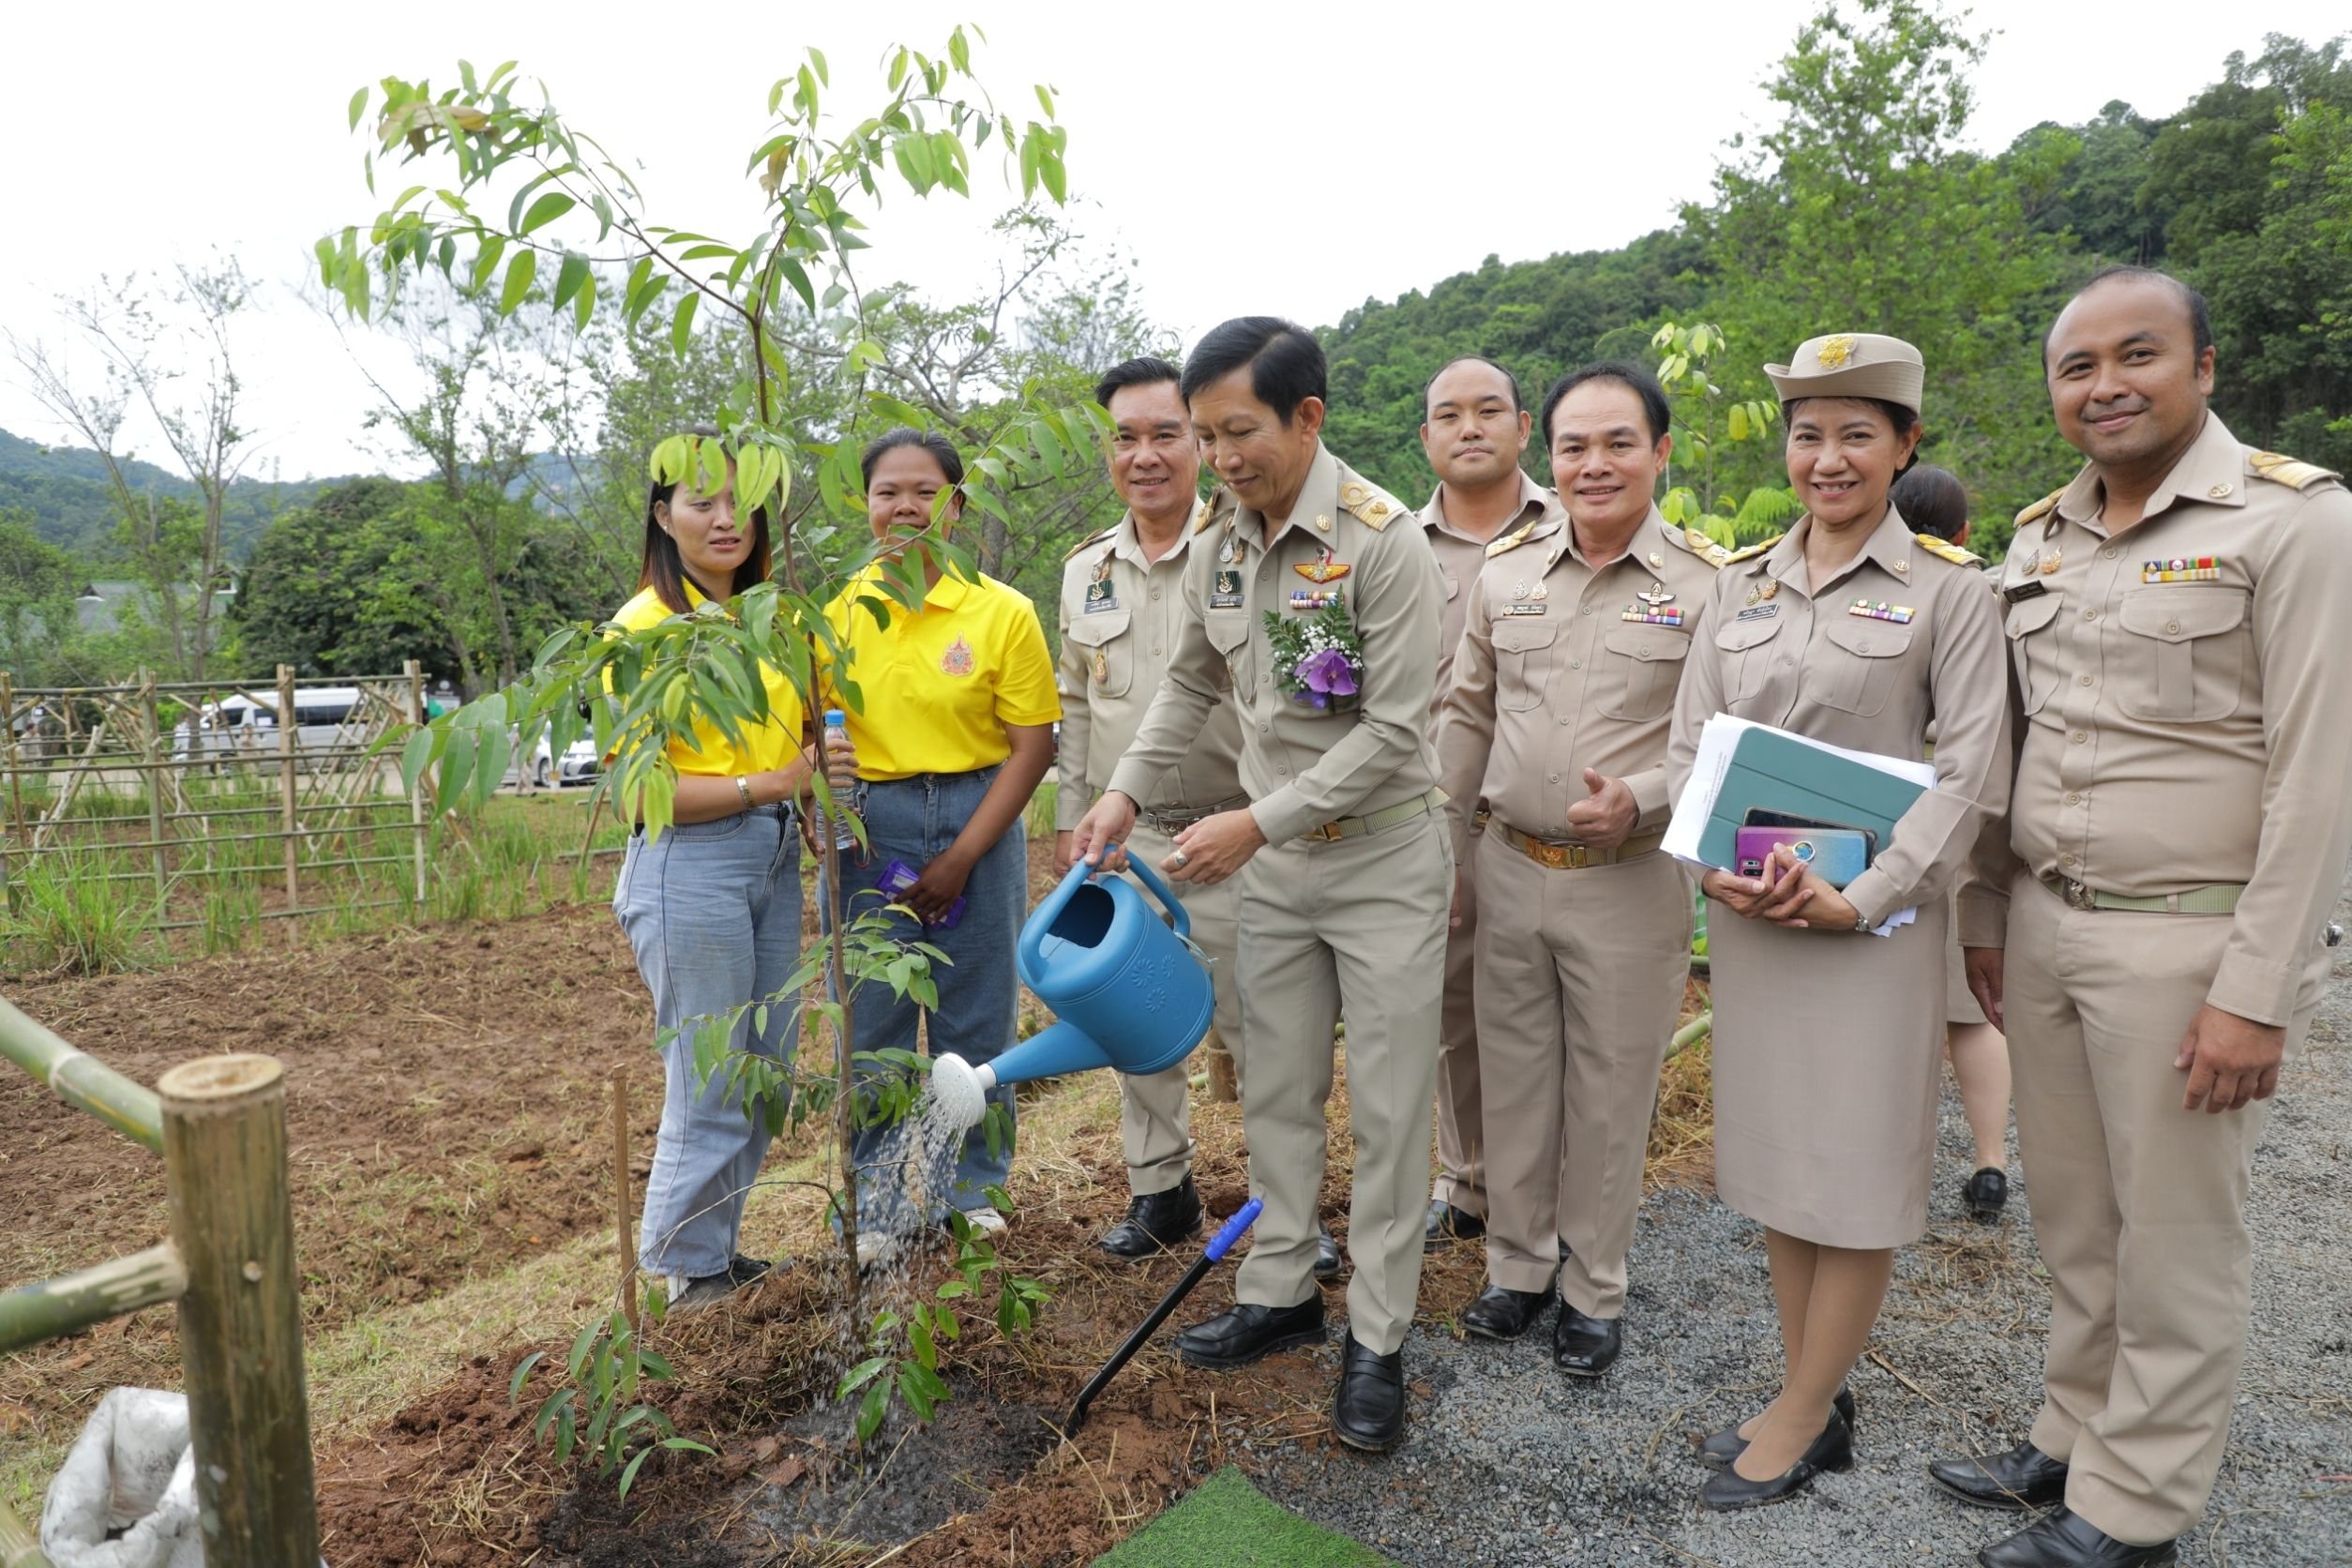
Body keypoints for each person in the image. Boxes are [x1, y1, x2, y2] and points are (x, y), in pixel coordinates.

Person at [1932, 267, 2352, 1568]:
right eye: (2077, 366)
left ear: (2205, 369)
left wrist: (2255, 988)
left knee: (2172, 1236)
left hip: (2190, 938)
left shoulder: (2296, 524)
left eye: (2138, 356)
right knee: (2076, 1211)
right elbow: (2013, 744)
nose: (2104, 385)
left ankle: (2136, 1511)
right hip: (2050, 921)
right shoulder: (2040, 537)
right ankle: (2073, 1438)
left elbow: (2321, 774)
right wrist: (1990, 913)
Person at [1070, 317, 1450, 1453]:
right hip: (1278, 866)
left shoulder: (1385, 541)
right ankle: (1281, 1288)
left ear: (1308, 418)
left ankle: (1378, 1336)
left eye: (1239, 432)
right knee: (1279, 1091)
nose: (1221, 457)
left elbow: (1392, 729)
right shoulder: (1225, 543)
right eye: (1206, 435)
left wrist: (1257, 819)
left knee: (1386, 1113)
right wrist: (1123, 794)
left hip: (1378, 859)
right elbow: (1186, 684)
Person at [1665, 332, 2010, 1510]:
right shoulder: (1739, 585)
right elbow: (1692, 745)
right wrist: (1712, 868)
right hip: (1759, 918)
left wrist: (1863, 893)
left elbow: (1968, 776)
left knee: (1853, 1169)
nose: (1827, 457)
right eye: (1808, 433)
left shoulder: (1954, 594)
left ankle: (1810, 1412)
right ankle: (1808, 1381)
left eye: (1857, 432)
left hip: (1875, 930)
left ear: (1905, 446)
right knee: (1777, 1163)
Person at [1437, 361, 1721, 1374]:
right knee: (1512, 1078)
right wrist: (1442, 838)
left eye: (1618, 443)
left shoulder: (1708, 583)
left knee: (1610, 1087)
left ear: (1660, 452)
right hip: (1508, 862)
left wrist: (1640, 798)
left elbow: (1718, 736)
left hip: (1631, 879)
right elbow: (1468, 711)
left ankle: (1594, 1286)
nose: (1594, 465)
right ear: (1546, 454)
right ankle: (1516, 1267)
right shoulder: (1506, 573)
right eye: (1574, 446)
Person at [610, 432, 856, 1314]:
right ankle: (682, 1274)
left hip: (772, 853)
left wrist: (813, 790)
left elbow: (809, 738)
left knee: (764, 1070)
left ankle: (713, 1254)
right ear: (661, 515)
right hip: (690, 863)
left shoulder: (778, 618)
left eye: (741, 504)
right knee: (712, 1077)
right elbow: (639, 795)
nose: (725, 520)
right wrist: (769, 784)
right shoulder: (642, 630)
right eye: (701, 501)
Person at [823, 428, 1060, 1257]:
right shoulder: (834, 612)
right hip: (871, 827)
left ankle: (974, 1186)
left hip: (980, 816)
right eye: (889, 492)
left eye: (926, 492)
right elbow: (815, 737)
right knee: (875, 1017)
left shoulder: (1002, 610)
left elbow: (1033, 747)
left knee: (977, 1010)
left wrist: (962, 855)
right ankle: (879, 1202)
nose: (907, 509)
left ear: (956, 506)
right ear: (866, 504)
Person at [1053, 355, 1249, 1260]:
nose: (1146, 455)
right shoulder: (1086, 570)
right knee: (1137, 1022)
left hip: (1240, 833)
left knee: (1265, 1032)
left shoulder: (1250, 549)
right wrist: (1072, 817)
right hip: (1129, 842)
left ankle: (1285, 1209)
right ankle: (1160, 1191)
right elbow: (1077, 709)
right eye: (1126, 438)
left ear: (1201, 445)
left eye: (1167, 435)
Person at [1415, 354, 1561, 1248]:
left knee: (1552, 1013)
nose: (1470, 427)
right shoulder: (1391, 545)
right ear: (1425, 436)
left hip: (1546, 816)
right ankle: (1463, 1179)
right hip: (1432, 815)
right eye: (1449, 415)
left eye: (1489, 410)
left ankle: (1557, 1193)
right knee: (1448, 1011)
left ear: (1521, 427)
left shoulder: (1576, 524)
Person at [1890, 462, 2013, 1221]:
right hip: (1967, 831)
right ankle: (1991, 1161)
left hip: (1887, 831)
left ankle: (1891, 1159)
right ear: (1965, 533)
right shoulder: (1985, 592)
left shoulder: (1875, 590)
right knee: (1972, 1014)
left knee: (1891, 1014)